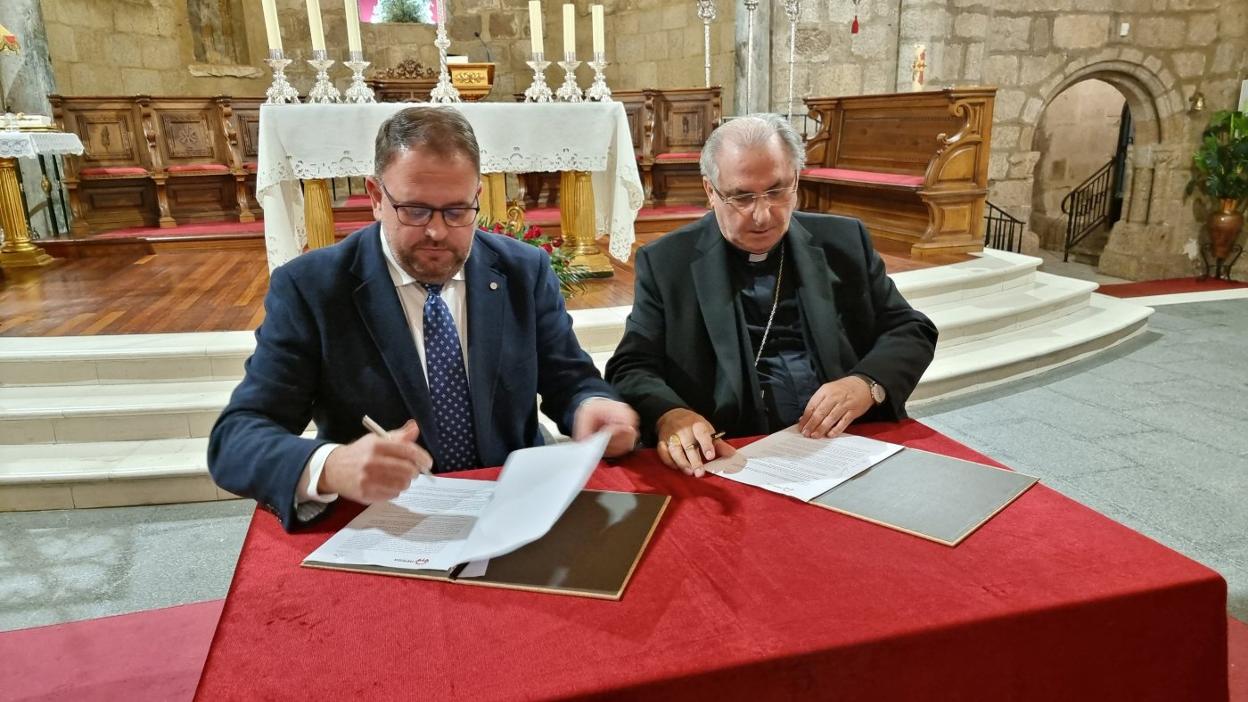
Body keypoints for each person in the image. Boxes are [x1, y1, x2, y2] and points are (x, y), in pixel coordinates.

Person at [209, 106, 638, 531]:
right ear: (376, 197)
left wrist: (592, 405)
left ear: (478, 199)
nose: (437, 231)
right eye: (414, 210)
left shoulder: (522, 271)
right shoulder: (314, 289)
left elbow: (569, 379)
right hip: (390, 521)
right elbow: (236, 439)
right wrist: (331, 465)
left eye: (457, 211)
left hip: (512, 506)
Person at [605, 113, 937, 478]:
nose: (763, 215)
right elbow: (631, 366)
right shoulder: (669, 261)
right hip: (736, 452)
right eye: (742, 197)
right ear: (710, 190)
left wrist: (867, 383)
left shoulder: (844, 241)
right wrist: (670, 414)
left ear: (795, 179)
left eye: (777, 191)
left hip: (845, 444)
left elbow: (911, 329)